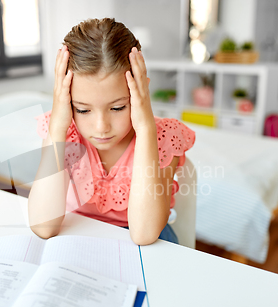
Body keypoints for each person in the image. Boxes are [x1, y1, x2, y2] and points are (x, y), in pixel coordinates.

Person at [28, 18, 195, 245]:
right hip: (79, 241)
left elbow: (144, 234)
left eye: (117, 108)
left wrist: (145, 128)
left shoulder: (162, 137)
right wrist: (58, 127)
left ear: (140, 93)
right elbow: (43, 226)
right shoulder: (64, 131)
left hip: (145, 248)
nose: (101, 127)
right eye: (83, 109)